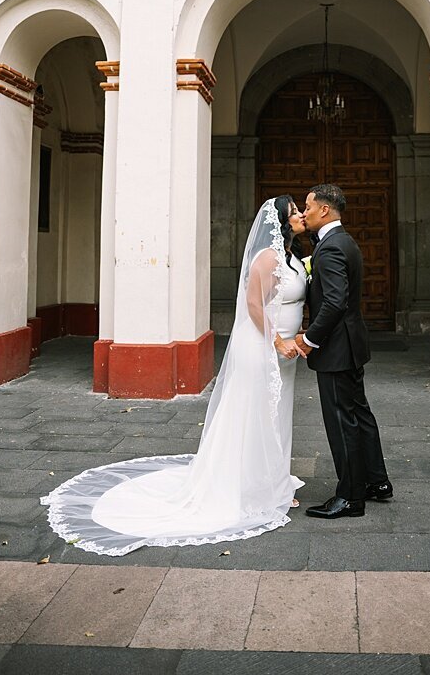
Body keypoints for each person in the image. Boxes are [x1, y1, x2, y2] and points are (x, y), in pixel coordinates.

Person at [41, 196, 308, 555]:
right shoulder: (267, 258)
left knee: (268, 413)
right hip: (259, 346)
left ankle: (268, 480)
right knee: (253, 413)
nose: (301, 216)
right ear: (280, 222)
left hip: (270, 346)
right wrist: (276, 339)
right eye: (294, 213)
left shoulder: (287, 257)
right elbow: (254, 305)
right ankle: (247, 485)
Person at [296, 183, 392, 518]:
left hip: (336, 349)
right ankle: (376, 481)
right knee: (359, 414)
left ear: (324, 209)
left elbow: (335, 302)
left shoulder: (331, 248)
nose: (303, 212)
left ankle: (351, 497)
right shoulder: (341, 241)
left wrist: (309, 339)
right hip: (351, 344)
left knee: (342, 422)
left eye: (307, 207)